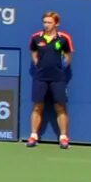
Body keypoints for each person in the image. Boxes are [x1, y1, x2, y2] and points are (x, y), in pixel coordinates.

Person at [27, 10, 72, 149]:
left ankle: (63, 138)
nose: (46, 25)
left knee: (60, 107)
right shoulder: (36, 38)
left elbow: (68, 57)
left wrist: (60, 68)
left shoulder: (64, 38)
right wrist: (39, 65)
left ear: (56, 23)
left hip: (58, 78)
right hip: (40, 77)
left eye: (49, 22)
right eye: (45, 22)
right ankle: (33, 136)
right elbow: (33, 54)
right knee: (37, 106)